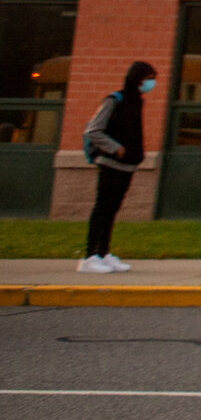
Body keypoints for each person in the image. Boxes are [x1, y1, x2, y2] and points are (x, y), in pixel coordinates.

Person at [77, 61, 153, 274]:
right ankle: (90, 256)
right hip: (111, 163)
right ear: (137, 78)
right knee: (102, 208)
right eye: (148, 78)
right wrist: (116, 148)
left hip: (127, 166)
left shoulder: (137, 102)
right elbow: (93, 131)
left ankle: (103, 253)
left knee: (112, 209)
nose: (151, 83)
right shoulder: (115, 100)